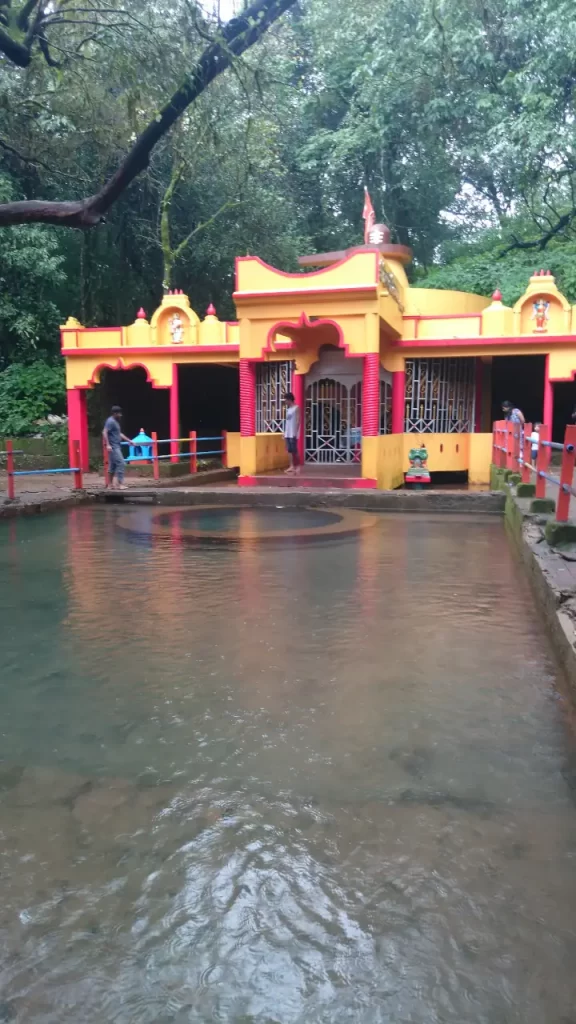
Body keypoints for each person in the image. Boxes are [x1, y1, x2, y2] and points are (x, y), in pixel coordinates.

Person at [102, 406, 132, 490]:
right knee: (121, 463)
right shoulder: (110, 421)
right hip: (113, 446)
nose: (120, 415)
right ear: (115, 413)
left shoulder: (115, 422)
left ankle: (109, 485)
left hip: (116, 445)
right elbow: (104, 432)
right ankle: (120, 484)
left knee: (113, 466)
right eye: (119, 413)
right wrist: (108, 444)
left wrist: (129, 440)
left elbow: (119, 434)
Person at [284, 391, 301, 475]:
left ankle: (298, 466)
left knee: (295, 450)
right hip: (287, 432)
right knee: (289, 450)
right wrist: (285, 432)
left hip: (293, 432)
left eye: (286, 400)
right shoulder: (288, 409)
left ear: (289, 399)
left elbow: (298, 421)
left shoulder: (296, 408)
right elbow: (287, 422)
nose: (285, 401)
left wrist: (295, 431)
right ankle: (291, 466)